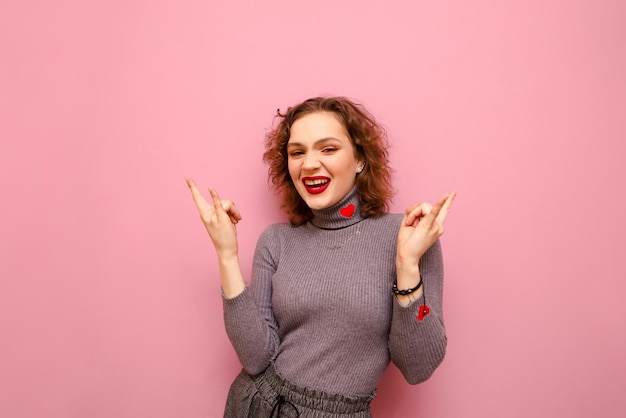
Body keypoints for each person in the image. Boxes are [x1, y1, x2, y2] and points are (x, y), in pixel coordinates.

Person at [186, 96, 456, 418]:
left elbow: (418, 366)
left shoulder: (409, 237)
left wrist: (407, 265)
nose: (309, 163)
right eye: (297, 152)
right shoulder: (276, 241)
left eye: (328, 149)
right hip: (259, 405)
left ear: (360, 159)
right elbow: (256, 357)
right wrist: (227, 255)